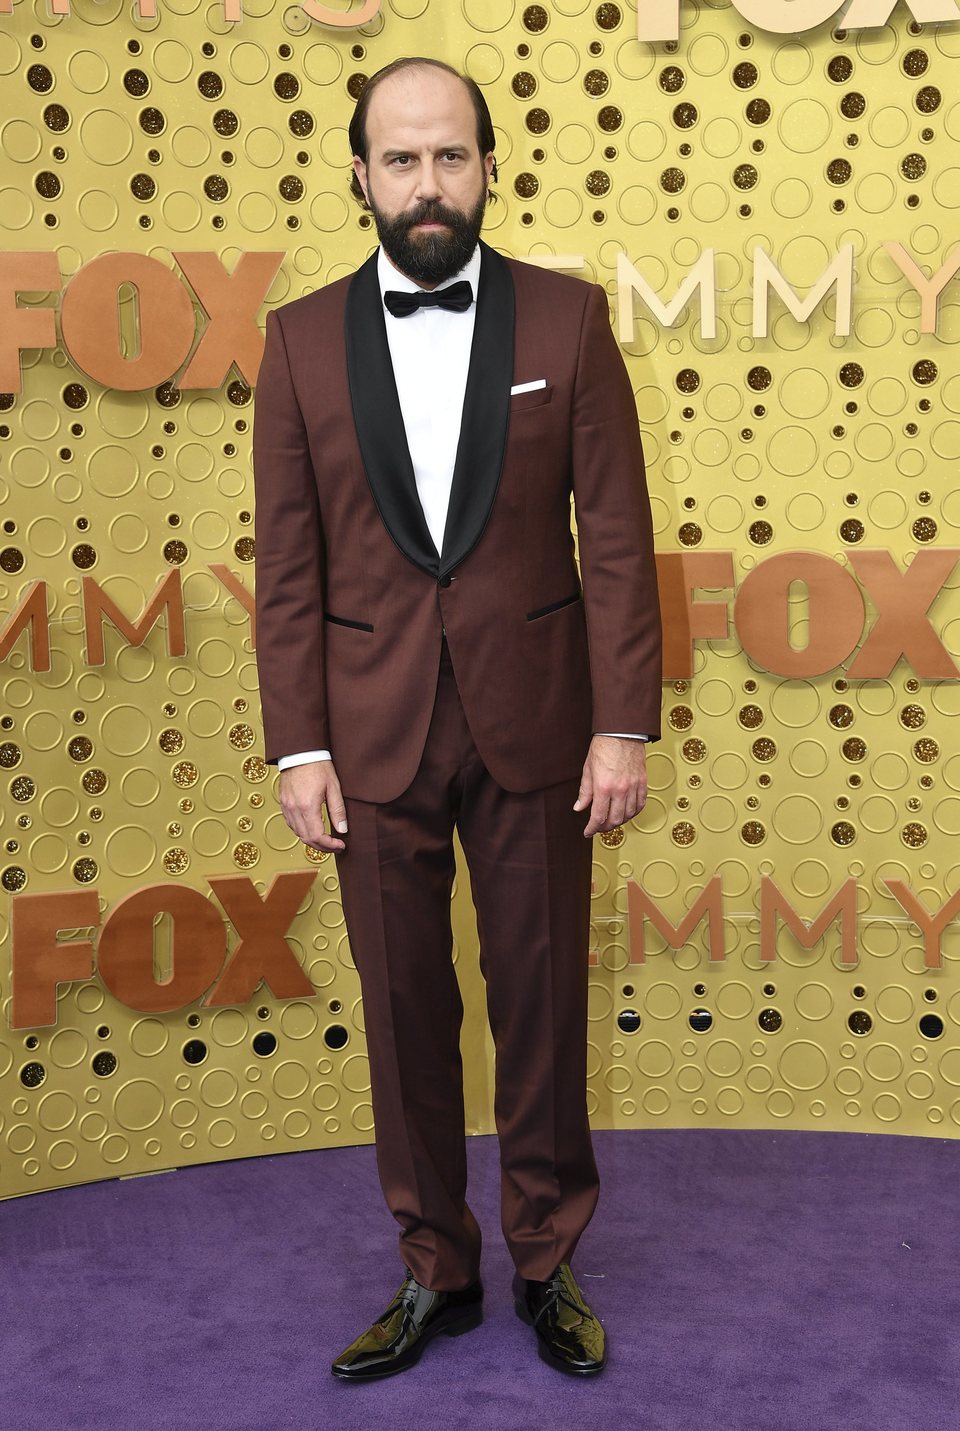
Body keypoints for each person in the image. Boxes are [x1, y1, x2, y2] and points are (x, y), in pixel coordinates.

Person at [253, 56, 663, 1381]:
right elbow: (291, 569)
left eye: (452, 157)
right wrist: (298, 744)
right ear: (360, 175)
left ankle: (546, 1260)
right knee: (404, 1014)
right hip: (369, 735)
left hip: (541, 725)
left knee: (541, 1001)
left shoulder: (569, 323)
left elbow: (616, 538)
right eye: (403, 160)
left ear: (489, 166)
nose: (428, 184)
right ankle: (437, 1265)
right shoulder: (301, 339)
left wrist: (623, 725)